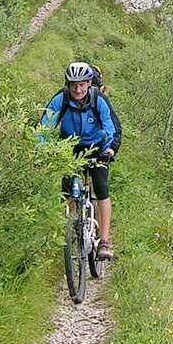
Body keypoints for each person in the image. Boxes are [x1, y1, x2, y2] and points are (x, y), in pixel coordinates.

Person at [40, 61, 119, 260]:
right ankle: (72, 226)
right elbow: (43, 128)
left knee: (101, 187)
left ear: (89, 83)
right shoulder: (60, 100)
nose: (78, 90)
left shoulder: (98, 100)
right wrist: (41, 151)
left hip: (97, 147)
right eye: (74, 85)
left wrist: (110, 150)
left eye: (82, 85)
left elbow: (112, 128)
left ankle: (104, 241)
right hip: (69, 147)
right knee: (67, 189)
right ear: (67, 84)